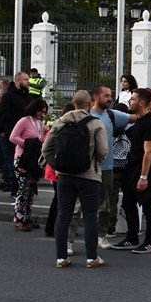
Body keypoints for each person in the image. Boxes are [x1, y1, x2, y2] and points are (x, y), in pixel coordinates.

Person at [43, 90, 108, 268]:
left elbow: (46, 149)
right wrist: (95, 163)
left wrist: (57, 166)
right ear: (90, 104)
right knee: (90, 216)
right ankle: (91, 258)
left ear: (73, 103)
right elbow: (103, 151)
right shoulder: (95, 124)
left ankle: (61, 258)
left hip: (64, 176)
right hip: (89, 176)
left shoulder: (60, 122)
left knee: (63, 215)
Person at [113, 88, 151, 254]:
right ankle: (132, 238)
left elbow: (148, 152)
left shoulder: (150, 123)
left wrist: (144, 177)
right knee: (128, 203)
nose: (129, 101)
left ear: (141, 103)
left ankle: (150, 242)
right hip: (132, 166)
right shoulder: (139, 120)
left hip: (145, 168)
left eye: (133, 99)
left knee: (148, 206)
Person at [88, 84, 130, 247]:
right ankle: (68, 241)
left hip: (106, 168)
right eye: (106, 95)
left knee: (105, 206)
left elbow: (133, 117)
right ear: (96, 97)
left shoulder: (112, 115)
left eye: (110, 95)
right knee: (78, 206)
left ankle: (101, 236)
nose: (110, 98)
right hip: (87, 168)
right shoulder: (86, 115)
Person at [10, 98, 49, 231]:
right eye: (40, 111)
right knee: (23, 189)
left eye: (44, 112)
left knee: (30, 190)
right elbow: (13, 137)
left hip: (33, 160)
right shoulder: (24, 121)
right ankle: (19, 218)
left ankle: (27, 217)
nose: (42, 114)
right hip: (22, 158)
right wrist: (26, 144)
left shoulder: (39, 123)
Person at [0, 71, 33, 193]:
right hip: (12, 134)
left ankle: (23, 186)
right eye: (25, 80)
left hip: (26, 135)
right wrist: (18, 125)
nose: (28, 82)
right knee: (12, 159)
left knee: (24, 161)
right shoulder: (8, 96)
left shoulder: (28, 96)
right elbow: (4, 113)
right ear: (18, 81)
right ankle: (13, 184)